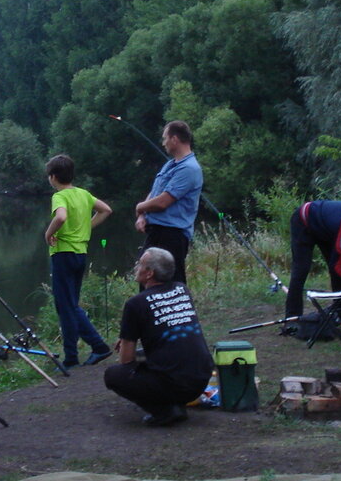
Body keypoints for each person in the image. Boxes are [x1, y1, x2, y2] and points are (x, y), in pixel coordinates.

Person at [103, 247, 214, 426]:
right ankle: (172, 402)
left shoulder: (135, 304)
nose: (136, 267)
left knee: (114, 375)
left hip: (176, 384)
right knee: (157, 353)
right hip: (201, 379)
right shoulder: (182, 290)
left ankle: (165, 411)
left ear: (149, 273)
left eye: (140, 264)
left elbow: (126, 360)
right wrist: (129, 335)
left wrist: (127, 341)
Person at [44, 154, 113, 370]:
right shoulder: (83, 194)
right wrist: (87, 227)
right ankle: (75, 354)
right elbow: (106, 210)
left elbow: (61, 217)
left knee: (66, 306)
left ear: (53, 177)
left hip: (63, 254)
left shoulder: (59, 196)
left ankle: (87, 351)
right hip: (80, 255)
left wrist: (48, 233)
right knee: (69, 305)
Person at [134, 120, 202, 284]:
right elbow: (156, 192)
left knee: (172, 282)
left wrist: (139, 207)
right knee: (147, 279)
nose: (163, 142)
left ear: (175, 139)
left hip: (173, 235)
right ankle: (150, 310)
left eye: (165, 138)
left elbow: (163, 202)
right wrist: (142, 215)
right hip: (157, 232)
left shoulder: (189, 168)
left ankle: (180, 309)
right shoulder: (170, 165)